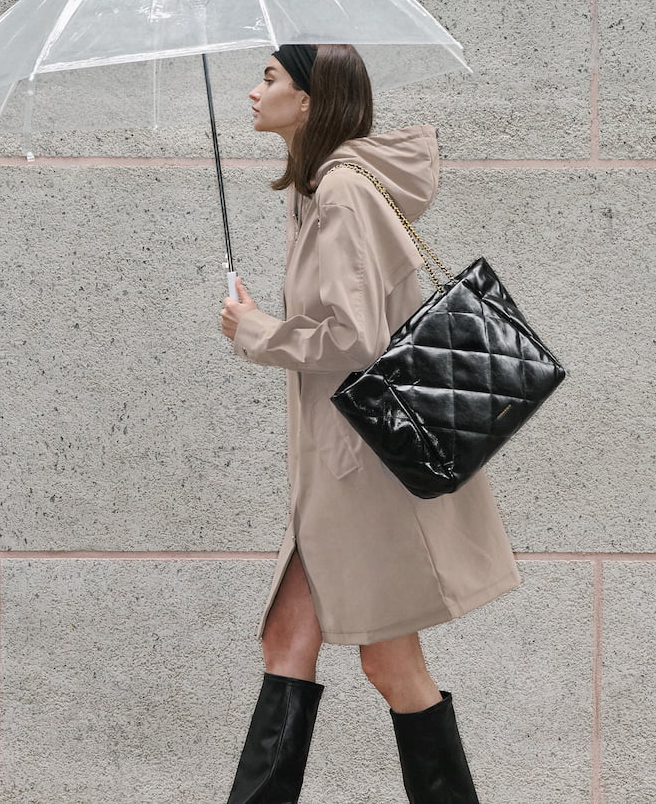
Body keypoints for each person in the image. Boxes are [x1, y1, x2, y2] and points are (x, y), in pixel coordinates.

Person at [216, 43, 520, 804]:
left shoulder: (345, 191)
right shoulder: (318, 190)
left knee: (392, 668)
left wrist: (258, 331)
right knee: (290, 643)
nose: (255, 93)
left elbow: (357, 340)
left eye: (271, 78)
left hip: (363, 473)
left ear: (313, 100)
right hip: (338, 469)